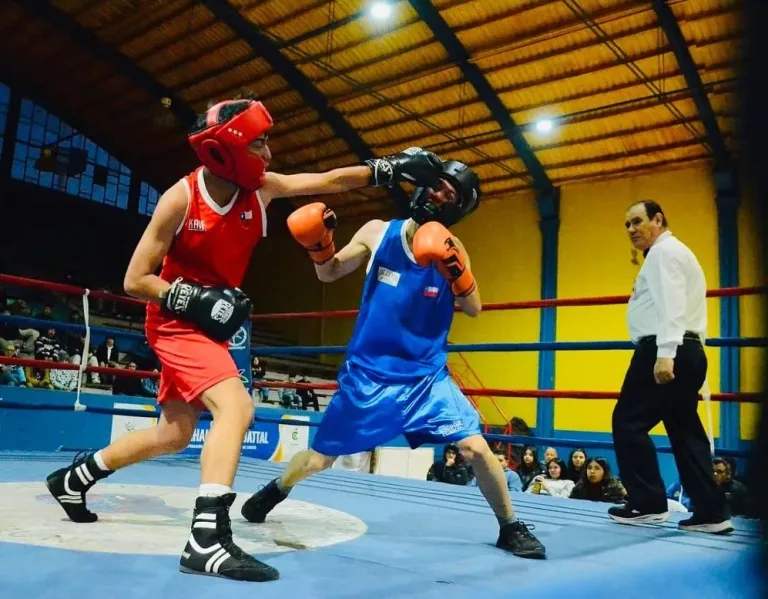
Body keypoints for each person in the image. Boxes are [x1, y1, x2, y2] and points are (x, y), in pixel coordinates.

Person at [43, 95, 447, 582]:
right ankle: (206, 539)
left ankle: (73, 479)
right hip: (176, 322)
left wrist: (387, 168)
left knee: (174, 434)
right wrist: (196, 299)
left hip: (210, 325)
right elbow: (135, 279)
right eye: (260, 144)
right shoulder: (182, 197)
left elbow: (330, 181)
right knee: (236, 408)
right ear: (227, 150)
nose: (270, 154)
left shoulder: (263, 190)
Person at [239, 159, 546, 559]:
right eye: (435, 186)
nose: (436, 195)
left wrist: (454, 267)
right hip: (368, 376)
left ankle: (510, 525)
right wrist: (320, 245)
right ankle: (277, 489)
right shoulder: (378, 232)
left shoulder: (453, 249)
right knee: (319, 459)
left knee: (477, 449)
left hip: (425, 377)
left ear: (456, 208)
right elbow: (330, 273)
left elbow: (473, 307)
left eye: (448, 195)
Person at [608, 200, 733, 534]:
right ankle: (711, 511)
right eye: (627, 224)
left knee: (628, 421)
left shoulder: (664, 253)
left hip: (666, 348)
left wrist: (665, 353)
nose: (631, 230)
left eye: (637, 222)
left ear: (658, 220)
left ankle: (647, 503)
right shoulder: (672, 252)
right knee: (684, 429)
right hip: (685, 347)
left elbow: (672, 304)